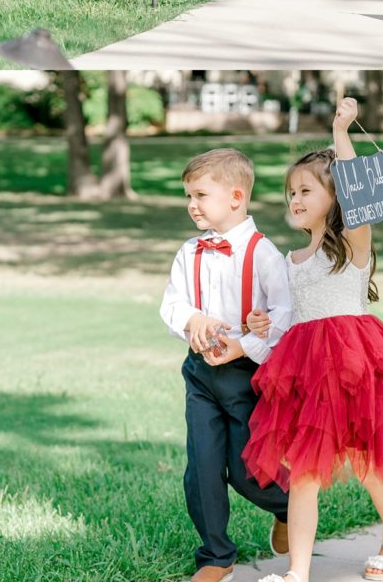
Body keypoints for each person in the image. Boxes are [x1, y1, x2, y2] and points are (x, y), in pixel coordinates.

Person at [242, 98, 383, 582]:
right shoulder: (291, 259)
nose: (294, 200)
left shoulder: (353, 245)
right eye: (289, 193)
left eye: (305, 191)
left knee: (368, 461)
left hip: (353, 361)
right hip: (305, 365)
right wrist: (265, 327)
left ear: (335, 196)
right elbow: (291, 317)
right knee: (304, 472)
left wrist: (342, 132)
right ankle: (297, 572)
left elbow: (359, 197)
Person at [160, 148, 292, 582]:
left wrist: (245, 344)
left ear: (236, 197)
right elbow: (172, 304)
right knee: (201, 467)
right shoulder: (189, 252)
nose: (191, 204)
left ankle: (290, 507)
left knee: (248, 470)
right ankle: (217, 556)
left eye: (200, 194)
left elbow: (284, 315)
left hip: (246, 378)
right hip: (199, 374)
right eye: (188, 196)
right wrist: (193, 319)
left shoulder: (264, 254)